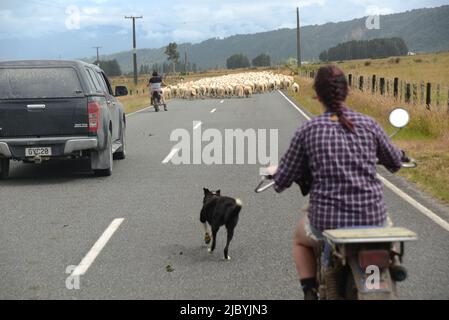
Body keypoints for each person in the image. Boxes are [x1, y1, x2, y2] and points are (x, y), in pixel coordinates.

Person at [267, 65, 405, 300]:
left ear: (317, 95)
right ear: (347, 91)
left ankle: (309, 290)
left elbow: (283, 178)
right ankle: (392, 260)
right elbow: (394, 161)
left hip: (328, 221)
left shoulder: (309, 130)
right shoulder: (369, 125)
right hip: (372, 216)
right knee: (386, 224)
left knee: (300, 240)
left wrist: (276, 173)